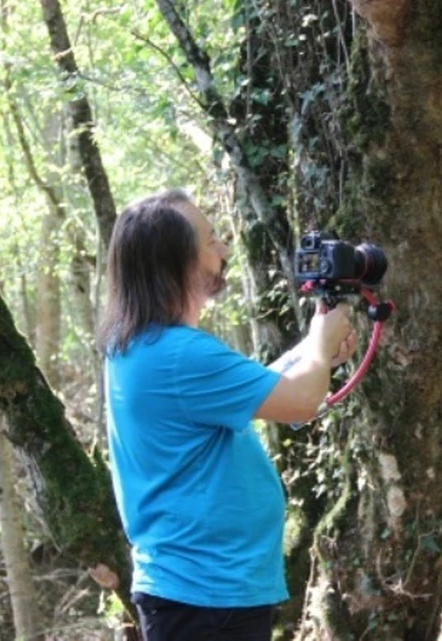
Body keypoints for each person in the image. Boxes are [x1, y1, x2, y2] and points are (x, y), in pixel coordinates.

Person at [97, 189, 356, 641]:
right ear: (176, 262)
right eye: (211, 240)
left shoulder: (144, 344)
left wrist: (314, 356)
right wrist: (319, 340)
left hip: (208, 593)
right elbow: (297, 402)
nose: (223, 249)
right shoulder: (179, 353)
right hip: (204, 598)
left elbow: (256, 392)